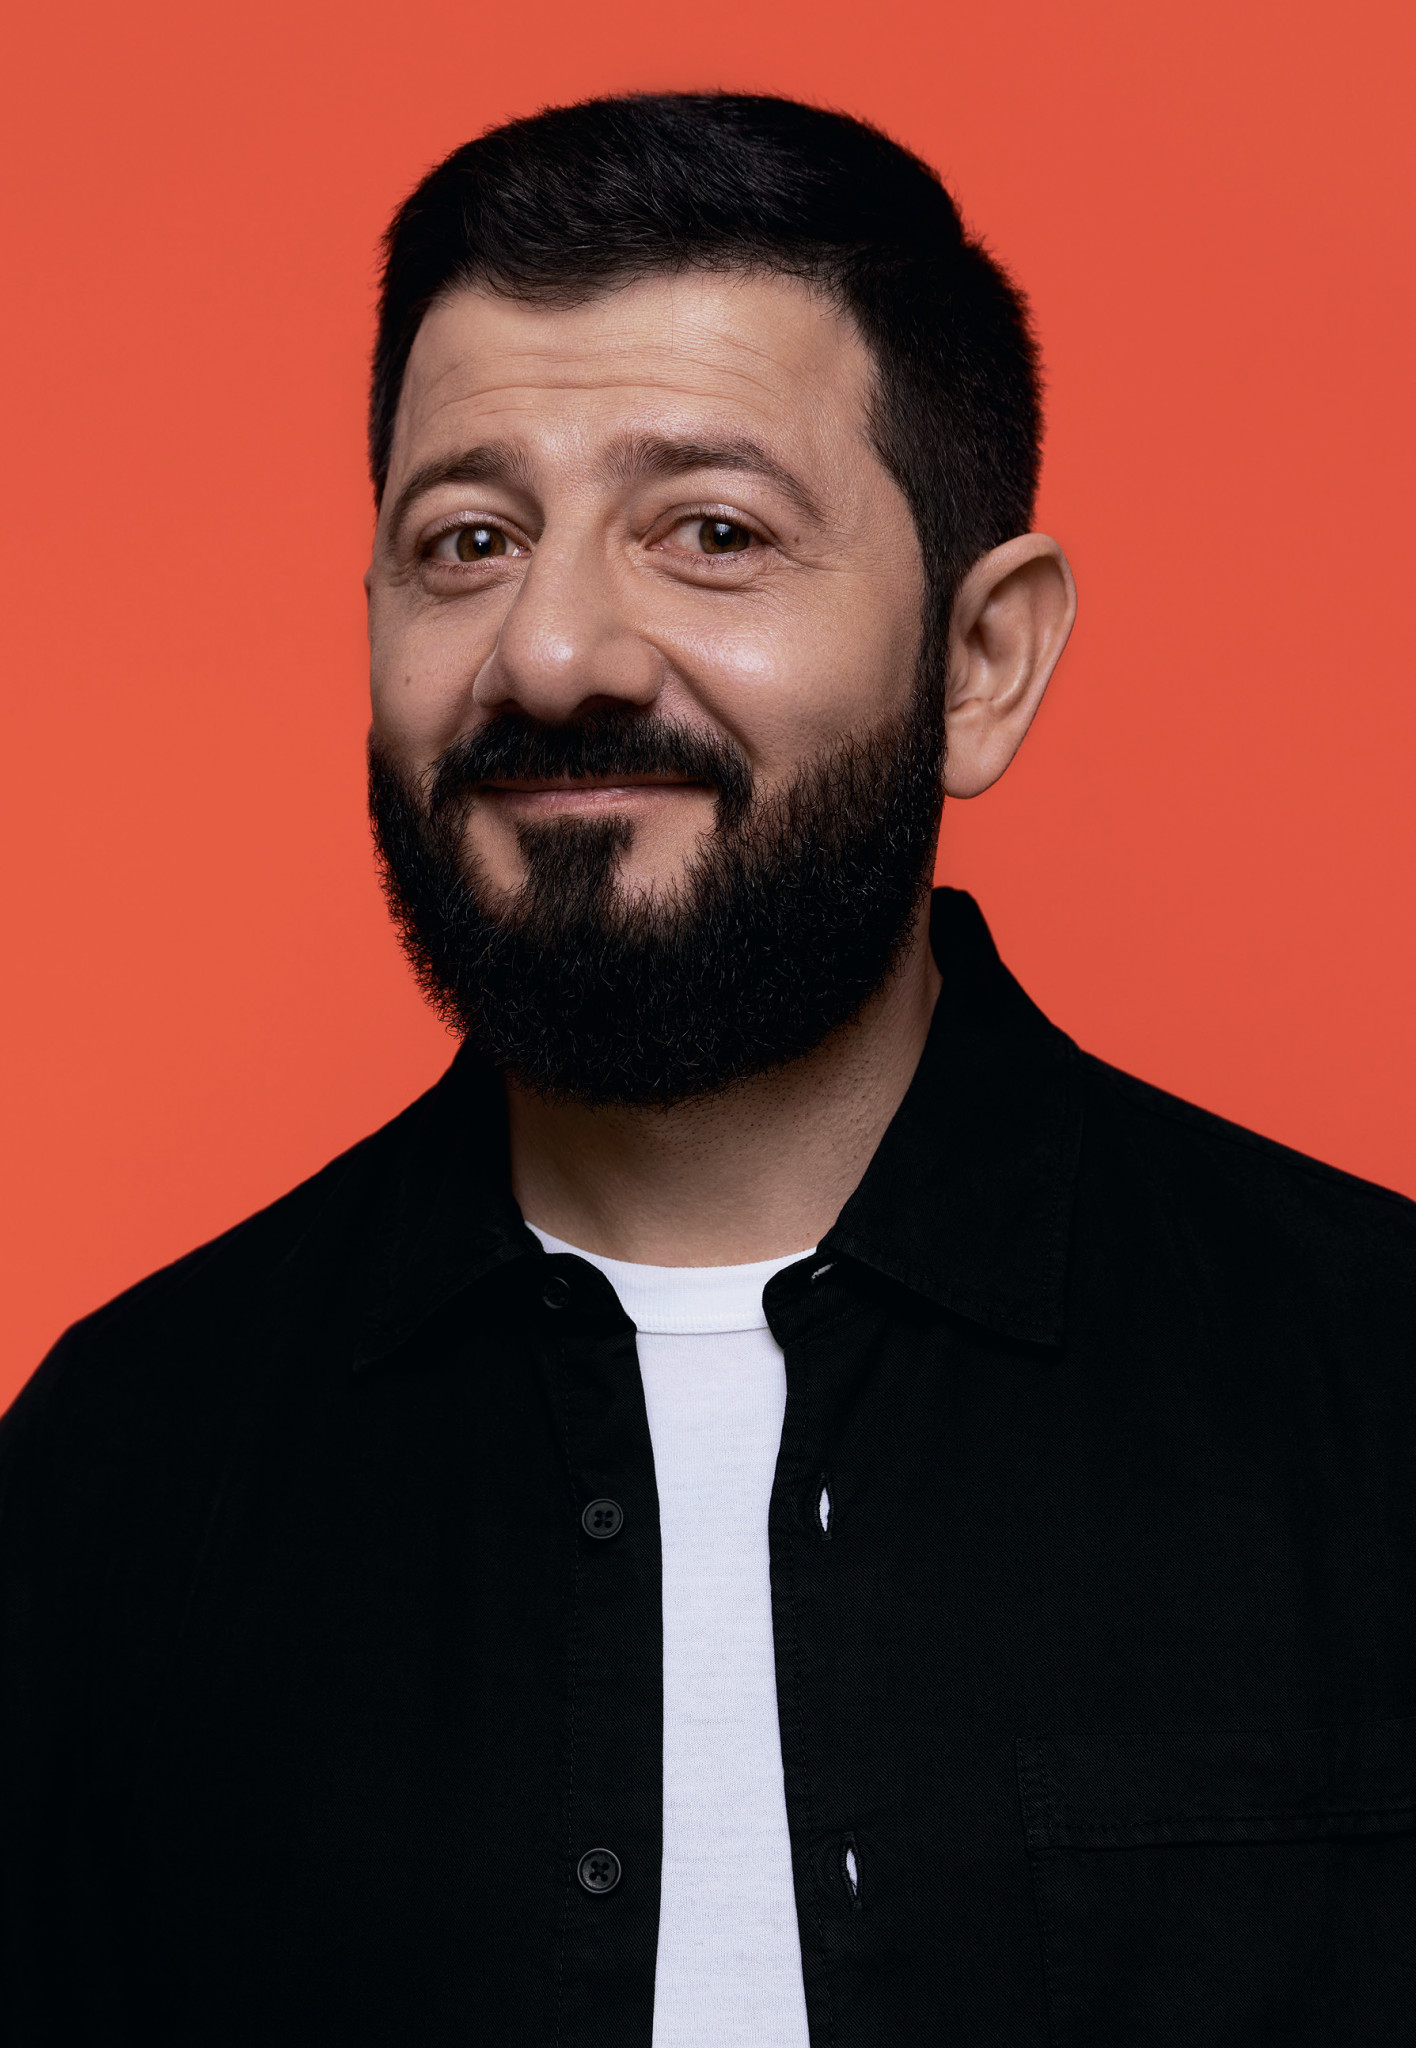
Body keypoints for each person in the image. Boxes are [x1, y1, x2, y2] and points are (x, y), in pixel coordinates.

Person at [2, 90, 1414, 2048]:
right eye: (470, 540)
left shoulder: (1377, 1390)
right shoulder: (121, 1463)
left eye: (715, 532)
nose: (553, 649)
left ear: (982, 661)